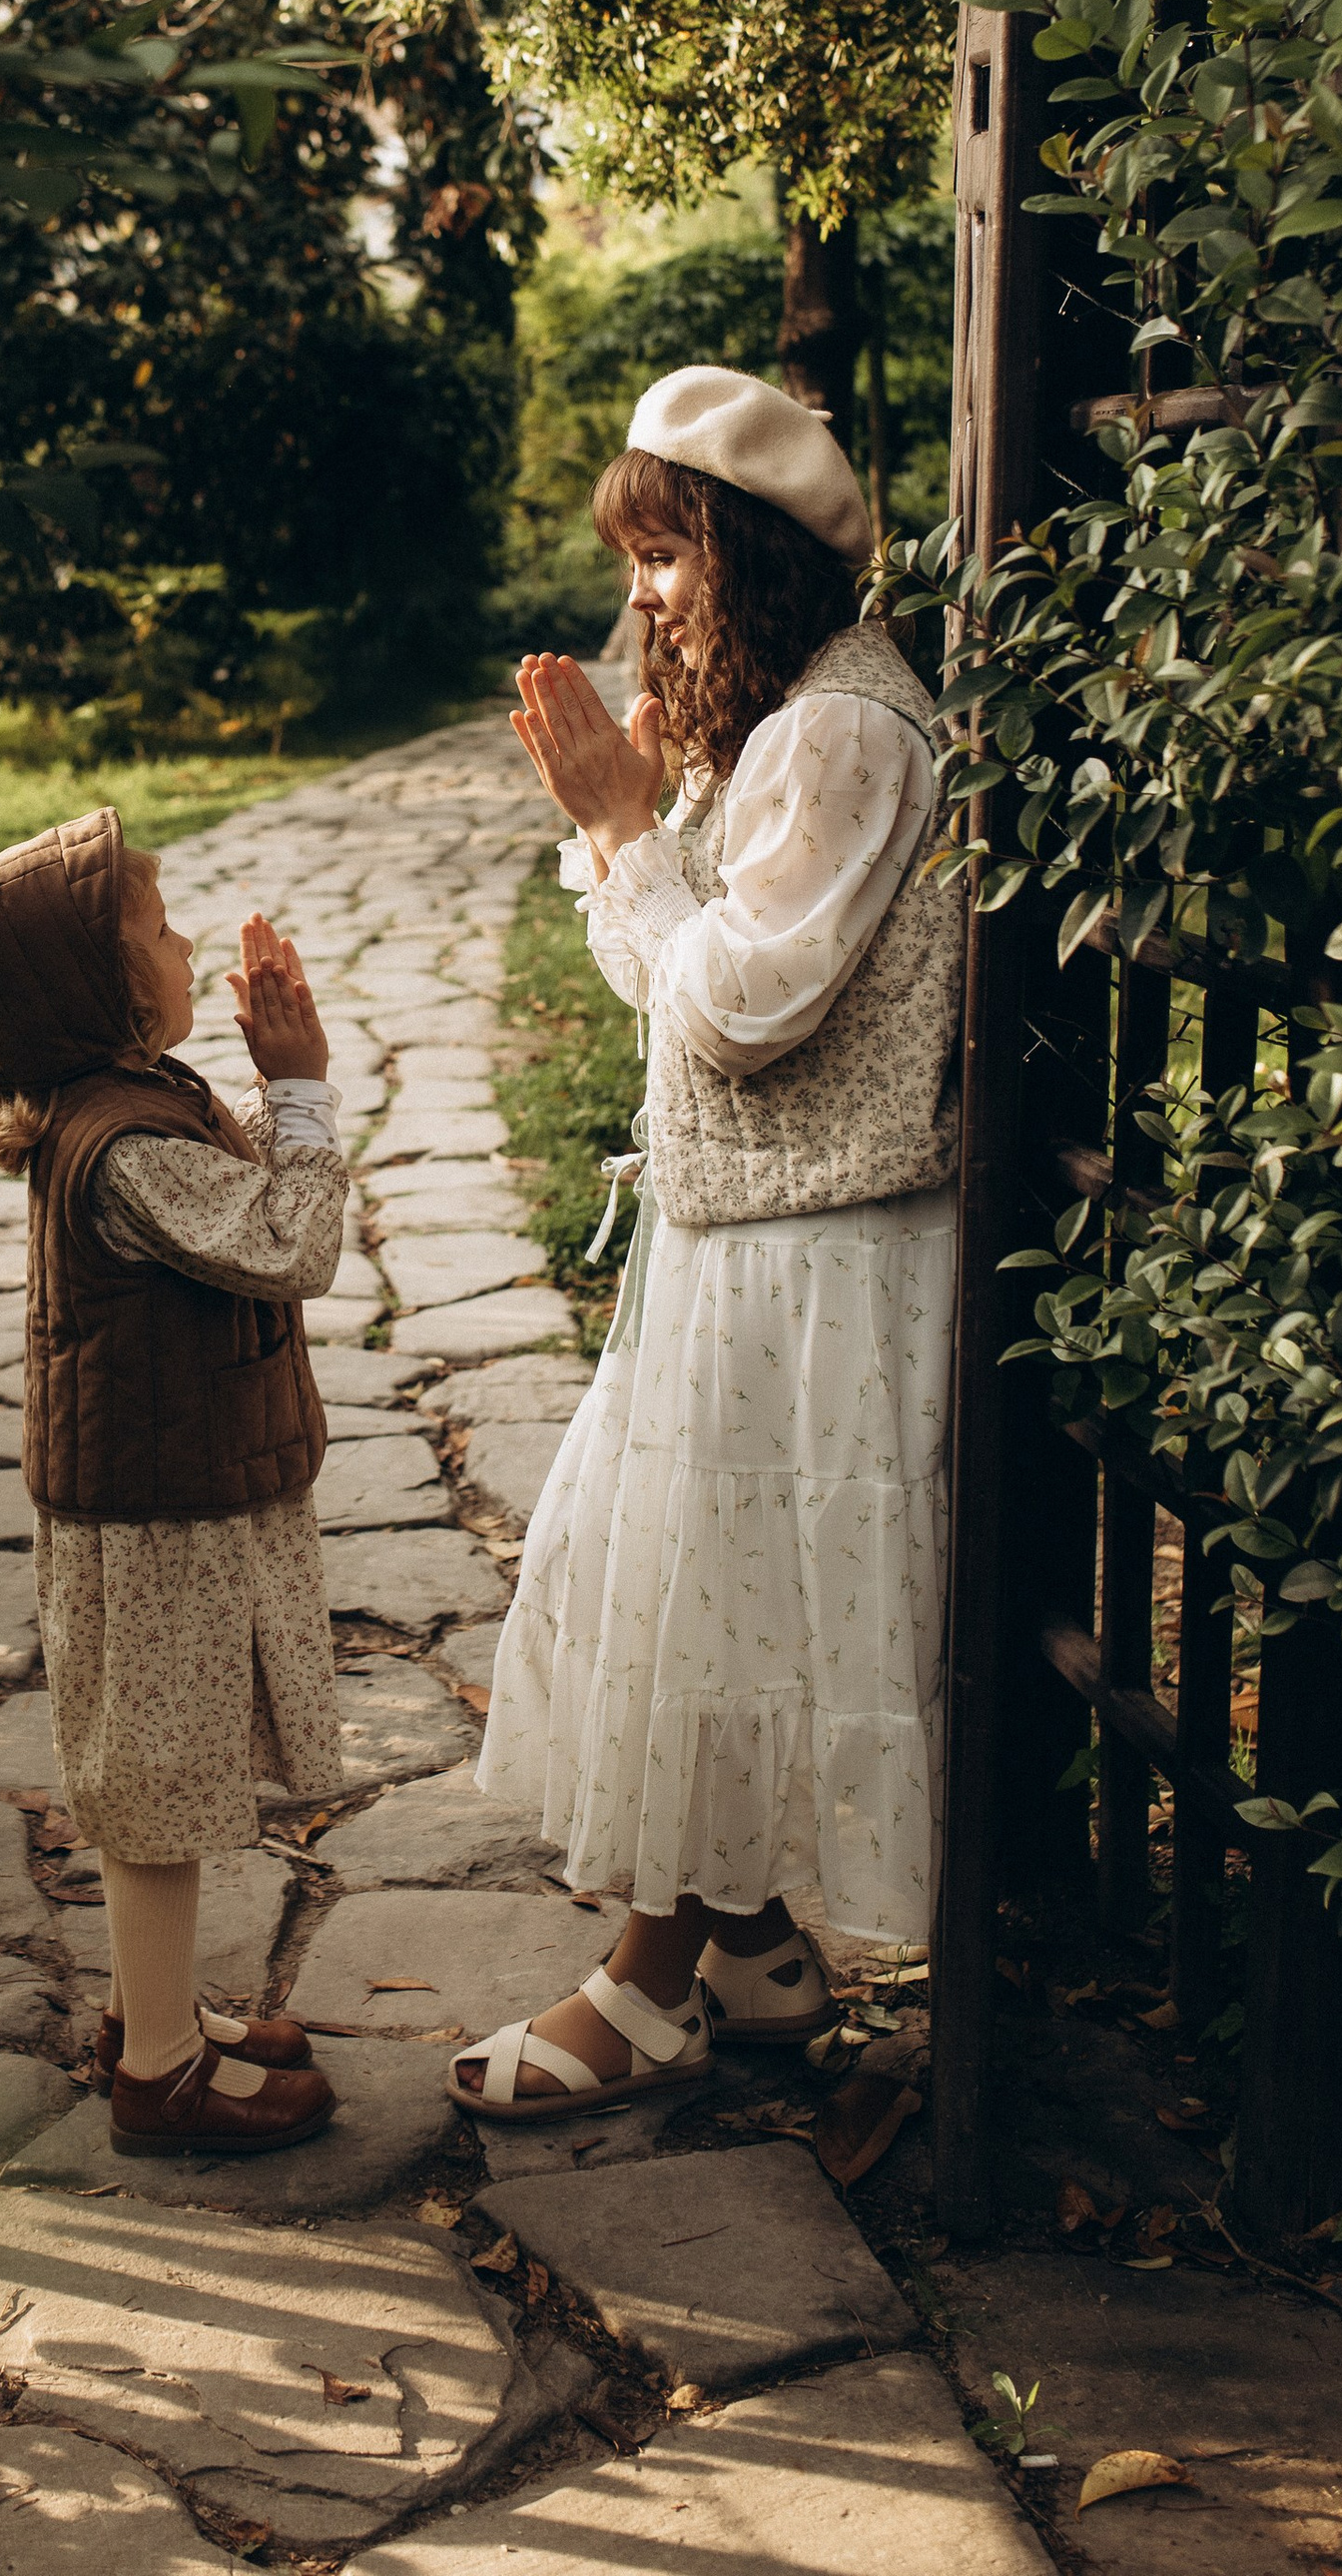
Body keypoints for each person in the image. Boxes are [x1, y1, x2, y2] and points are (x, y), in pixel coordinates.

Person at [449, 364, 964, 2125]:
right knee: (683, 1585)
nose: (645, 597)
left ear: (752, 549)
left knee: (709, 1605)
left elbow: (741, 1009)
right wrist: (627, 830)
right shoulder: (780, 726)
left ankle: (653, 1985)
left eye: (669, 556)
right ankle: (749, 1944)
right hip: (743, 1236)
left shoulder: (848, 732)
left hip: (822, 1255)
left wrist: (616, 828)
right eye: (637, 559)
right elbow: (666, 993)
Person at [0, 808, 346, 2154]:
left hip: (168, 1489)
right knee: (158, 1790)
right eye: (159, 932)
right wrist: (298, 1089)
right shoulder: (129, 1144)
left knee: (157, 1779)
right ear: (99, 992)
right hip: (158, 1515)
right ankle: (160, 2072)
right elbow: (294, 1242)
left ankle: (152, 2015)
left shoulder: (128, 1106)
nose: (183, 944)